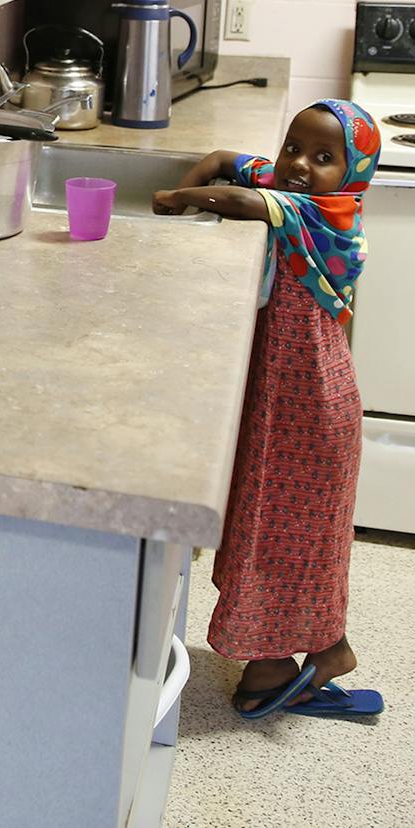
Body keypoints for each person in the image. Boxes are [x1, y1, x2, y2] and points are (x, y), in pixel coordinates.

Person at [152, 99, 385, 720]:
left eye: (325, 158)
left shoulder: (329, 210)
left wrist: (181, 198)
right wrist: (212, 164)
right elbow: (235, 165)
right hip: (290, 403)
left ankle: (302, 659)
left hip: (311, 407)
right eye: (294, 148)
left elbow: (246, 200)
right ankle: (304, 656)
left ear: (354, 175)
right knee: (283, 527)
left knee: (291, 531)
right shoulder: (291, 182)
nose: (301, 166)